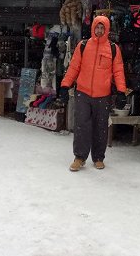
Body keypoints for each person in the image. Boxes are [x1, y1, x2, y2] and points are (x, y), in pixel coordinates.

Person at [59, 15, 127, 171]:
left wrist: (121, 91)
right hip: (83, 93)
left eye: (102, 28)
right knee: (81, 126)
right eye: (97, 27)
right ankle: (79, 157)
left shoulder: (113, 49)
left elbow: (118, 71)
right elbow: (74, 67)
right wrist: (65, 85)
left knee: (100, 127)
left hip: (103, 95)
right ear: (93, 28)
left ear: (107, 29)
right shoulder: (83, 46)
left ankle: (98, 157)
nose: (99, 30)